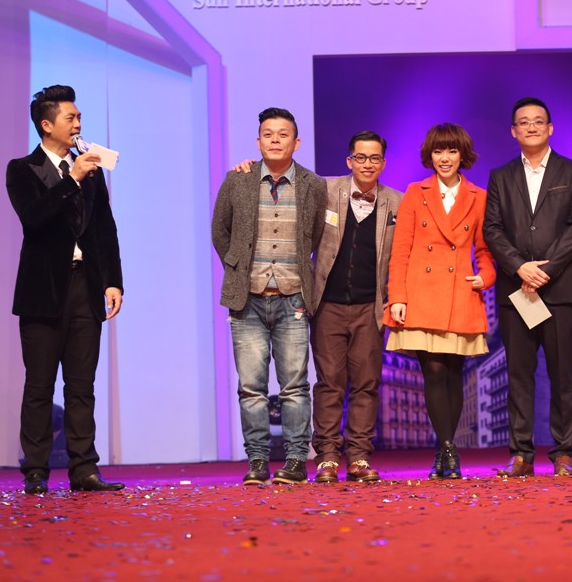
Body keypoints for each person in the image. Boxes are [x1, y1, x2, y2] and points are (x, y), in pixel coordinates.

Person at [6, 84, 124, 494]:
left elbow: (104, 228)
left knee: (81, 386)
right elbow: (34, 218)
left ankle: (84, 469)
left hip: (85, 287)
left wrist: (113, 281)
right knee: (39, 385)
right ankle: (36, 470)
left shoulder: (90, 169)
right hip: (43, 291)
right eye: (70, 118)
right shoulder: (22, 169)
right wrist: (71, 179)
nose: (77, 124)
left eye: (78, 117)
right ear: (46, 124)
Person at [212, 107, 327, 485]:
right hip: (247, 299)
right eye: (268, 134)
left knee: (294, 386)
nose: (275, 140)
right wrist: (237, 267)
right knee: (251, 388)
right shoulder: (238, 180)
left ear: (297, 142)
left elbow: (316, 235)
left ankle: (295, 461)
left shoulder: (313, 184)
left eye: (283, 134)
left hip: (293, 298)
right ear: (258, 141)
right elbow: (220, 231)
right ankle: (258, 461)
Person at [483, 97, 572, 478]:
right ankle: (520, 454)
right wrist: (519, 267)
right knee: (518, 375)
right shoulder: (500, 176)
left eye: (538, 121)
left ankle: (563, 453)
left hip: (559, 289)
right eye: (524, 122)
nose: (531, 127)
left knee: (563, 374)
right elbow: (492, 228)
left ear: (550, 128)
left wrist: (547, 269)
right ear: (513, 131)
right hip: (517, 292)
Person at [384, 123, 495, 479]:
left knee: (453, 374)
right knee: (432, 372)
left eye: (451, 151)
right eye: (438, 151)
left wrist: (486, 276)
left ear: (462, 155)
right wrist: (397, 297)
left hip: (461, 291)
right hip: (421, 293)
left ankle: (443, 451)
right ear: (429, 156)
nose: (444, 158)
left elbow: (485, 249)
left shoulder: (478, 196)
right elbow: (401, 250)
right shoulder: (415, 192)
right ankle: (449, 449)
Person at [309, 131, 402, 483]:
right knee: (329, 384)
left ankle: (359, 457)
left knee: (366, 383)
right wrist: (248, 168)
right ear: (349, 160)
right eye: (360, 157)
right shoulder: (325, 190)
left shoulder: (397, 202)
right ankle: (327, 457)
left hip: (370, 307)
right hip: (327, 305)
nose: (367, 164)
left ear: (383, 163)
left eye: (374, 158)